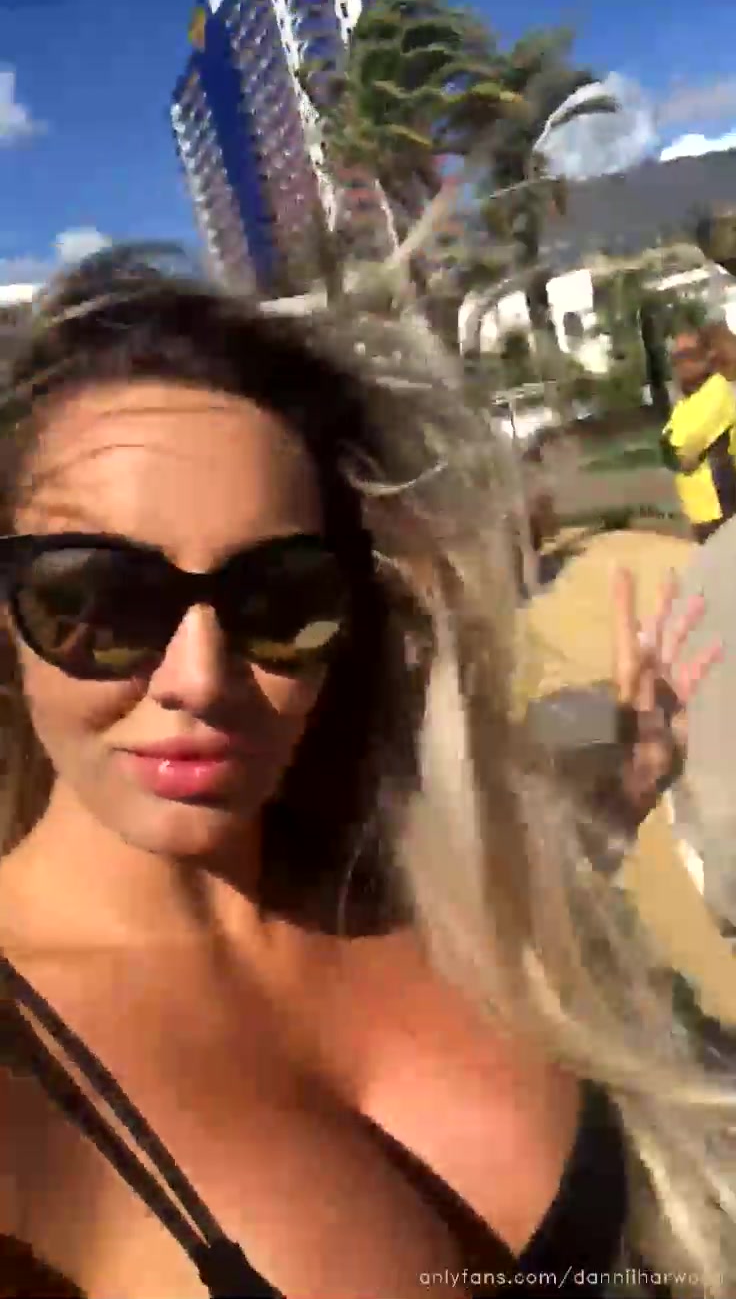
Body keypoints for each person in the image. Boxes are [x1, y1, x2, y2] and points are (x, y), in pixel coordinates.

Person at [0, 250, 733, 1299]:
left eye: (280, 600)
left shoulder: (443, 890)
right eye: (99, 600)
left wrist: (628, 789)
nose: (200, 679)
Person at [661, 330, 736, 544]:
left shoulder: (718, 390)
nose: (682, 365)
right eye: (676, 359)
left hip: (724, 508)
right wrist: (673, 449)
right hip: (700, 513)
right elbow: (667, 448)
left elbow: (684, 445)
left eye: (689, 355)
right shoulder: (685, 402)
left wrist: (675, 448)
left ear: (708, 356)